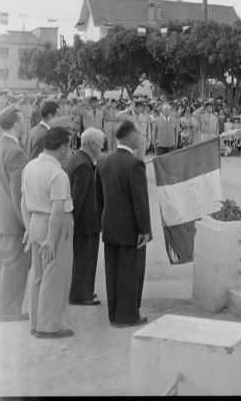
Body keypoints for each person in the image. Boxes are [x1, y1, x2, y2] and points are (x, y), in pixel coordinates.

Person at [95, 120, 152, 327]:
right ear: (130, 136)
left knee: (113, 272)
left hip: (110, 225)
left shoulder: (103, 161)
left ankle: (114, 313)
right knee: (130, 272)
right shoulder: (135, 163)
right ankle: (128, 316)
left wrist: (104, 220)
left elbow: (98, 196)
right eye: (138, 133)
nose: (140, 137)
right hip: (131, 229)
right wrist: (144, 230)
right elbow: (140, 201)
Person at [21, 127, 75, 338]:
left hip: (35, 222)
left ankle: (36, 323)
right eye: (68, 146)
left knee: (37, 275)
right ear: (61, 147)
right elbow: (57, 210)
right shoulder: (57, 173)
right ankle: (49, 326)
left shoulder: (30, 166)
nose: (70, 150)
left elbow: (23, 200)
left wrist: (28, 227)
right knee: (55, 276)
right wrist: (51, 240)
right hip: (54, 225)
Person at [0, 107, 30, 321]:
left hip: (0, 217)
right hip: (13, 219)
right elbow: (18, 192)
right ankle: (9, 310)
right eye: (22, 120)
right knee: (15, 266)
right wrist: (26, 223)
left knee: (1, 263)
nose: (24, 124)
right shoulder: (15, 151)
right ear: (15, 124)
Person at [66, 128, 104, 306]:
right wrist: (72, 221)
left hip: (84, 220)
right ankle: (81, 295)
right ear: (91, 144)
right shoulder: (83, 164)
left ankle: (84, 291)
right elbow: (78, 197)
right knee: (86, 258)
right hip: (86, 221)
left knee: (84, 258)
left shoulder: (79, 158)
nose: (103, 145)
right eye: (101, 142)